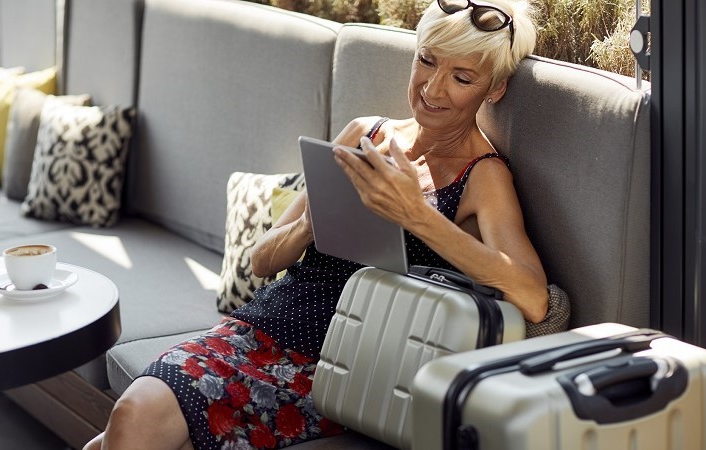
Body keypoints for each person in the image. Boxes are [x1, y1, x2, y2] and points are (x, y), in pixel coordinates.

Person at [84, 0, 563, 449]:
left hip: (344, 365)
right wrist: (310, 224)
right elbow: (261, 259)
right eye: (427, 61)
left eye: (461, 77)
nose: (432, 89)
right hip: (264, 328)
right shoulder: (365, 134)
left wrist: (415, 217)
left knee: (129, 429)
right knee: (130, 421)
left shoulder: (484, 176)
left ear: (494, 89)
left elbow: (534, 297)